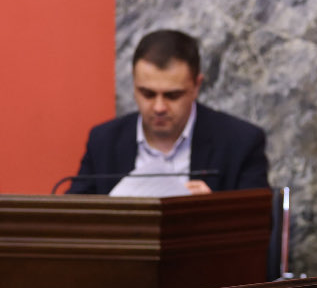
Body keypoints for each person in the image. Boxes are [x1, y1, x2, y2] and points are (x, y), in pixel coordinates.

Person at [67, 29, 269, 195]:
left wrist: (212, 210)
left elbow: (259, 224)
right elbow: (73, 219)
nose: (159, 107)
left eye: (172, 96)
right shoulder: (104, 141)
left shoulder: (240, 142)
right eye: (147, 94)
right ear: (134, 85)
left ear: (196, 86)